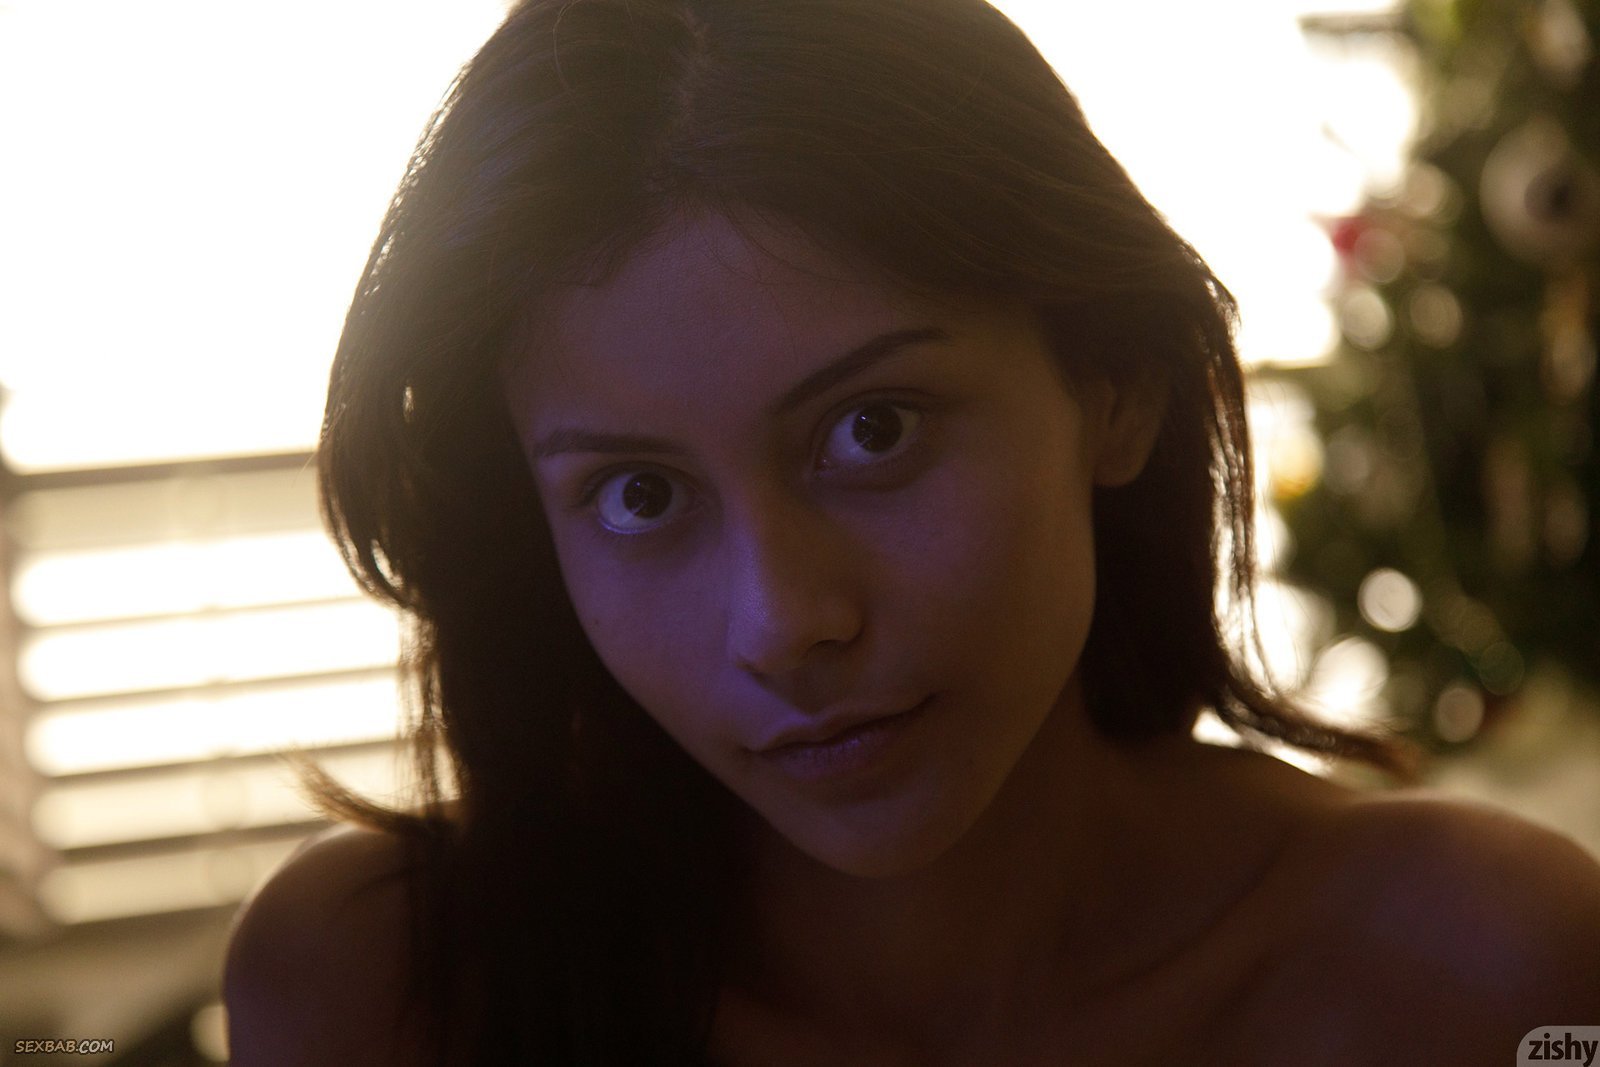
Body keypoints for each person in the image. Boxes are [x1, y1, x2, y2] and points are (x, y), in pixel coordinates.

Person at [222, 0, 1600, 1063]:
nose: (784, 623)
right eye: (640, 496)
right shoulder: (384, 989)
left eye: (871, 431)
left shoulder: (1492, 975)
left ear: (1115, 388)